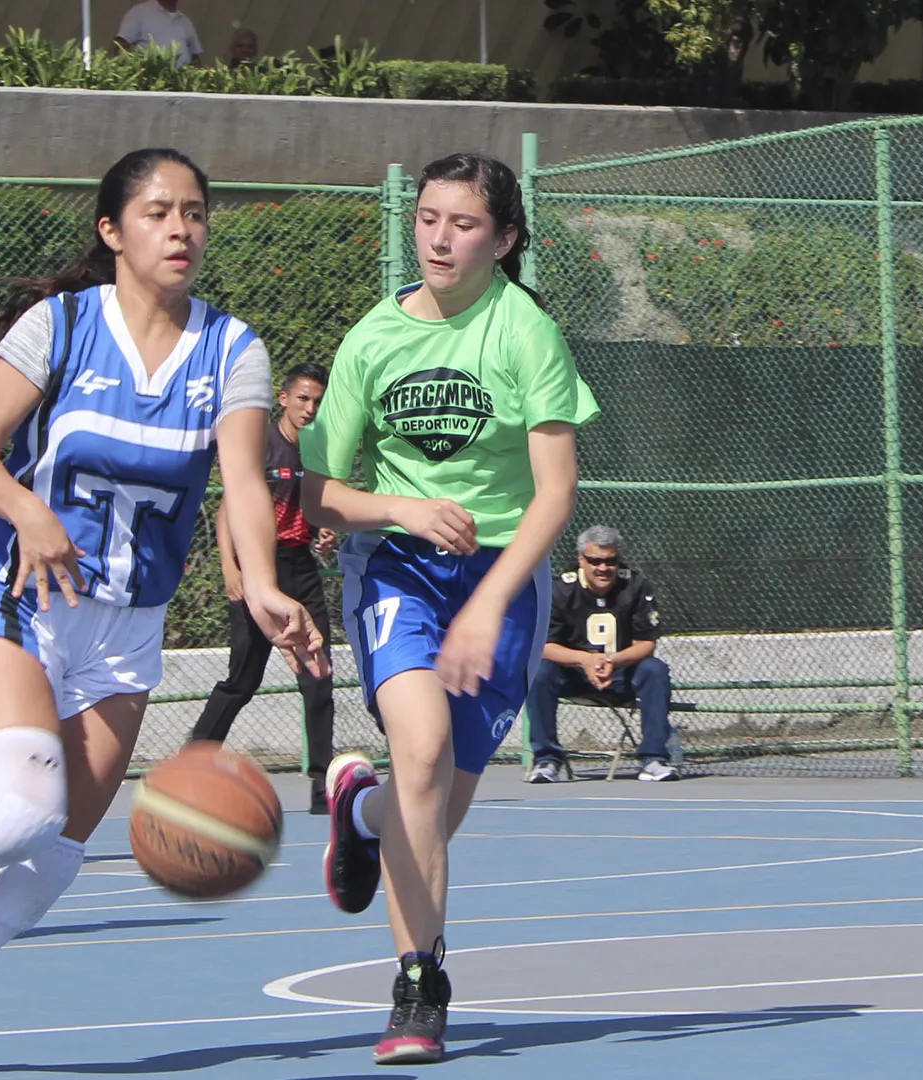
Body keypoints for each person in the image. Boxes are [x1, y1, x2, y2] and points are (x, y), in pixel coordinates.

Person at [0, 148, 326, 1080]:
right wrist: (27, 512)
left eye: (194, 213)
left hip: (127, 626)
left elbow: (245, 484)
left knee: (54, 858)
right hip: (20, 596)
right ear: (113, 231)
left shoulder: (233, 349)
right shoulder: (57, 325)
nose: (180, 228)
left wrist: (262, 584)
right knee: (22, 809)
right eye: (157, 212)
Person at [302, 151, 599, 1065]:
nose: (438, 237)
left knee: (436, 802)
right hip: (397, 566)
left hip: (502, 578)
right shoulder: (371, 340)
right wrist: (401, 509)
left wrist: (491, 602)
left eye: (463, 223)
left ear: (504, 239)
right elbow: (318, 493)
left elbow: (555, 495)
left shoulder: (524, 331)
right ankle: (420, 982)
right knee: (420, 756)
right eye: (428, 218)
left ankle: (363, 816)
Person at [188, 362, 339, 814]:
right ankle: (193, 762)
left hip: (300, 568)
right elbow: (229, 509)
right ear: (284, 398)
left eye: (317, 400)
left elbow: (315, 510)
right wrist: (232, 570)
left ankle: (321, 782)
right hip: (258, 571)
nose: (310, 408)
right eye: (303, 399)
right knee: (243, 679)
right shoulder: (260, 446)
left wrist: (323, 534)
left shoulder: (318, 452)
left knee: (318, 674)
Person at [523, 525, 676, 782]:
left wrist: (611, 661)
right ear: (581, 559)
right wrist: (584, 660)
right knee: (537, 673)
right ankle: (546, 759)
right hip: (573, 674)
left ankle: (653, 758)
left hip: (620, 672)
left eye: (610, 561)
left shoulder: (636, 585)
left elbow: (646, 643)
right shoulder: (560, 590)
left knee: (655, 670)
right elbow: (543, 646)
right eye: (595, 561)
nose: (602, 568)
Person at [113, 0, 202, 66]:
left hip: (180, 86)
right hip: (150, 85)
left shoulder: (185, 21)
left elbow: (195, 57)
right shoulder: (139, 12)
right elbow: (120, 45)